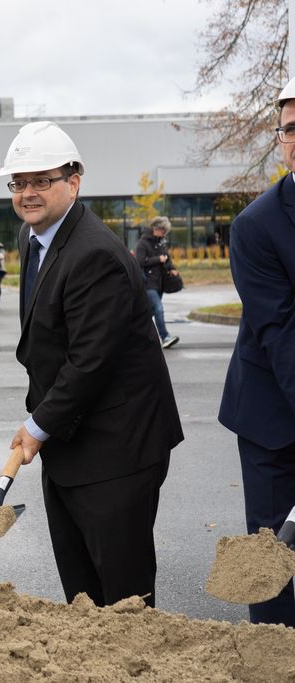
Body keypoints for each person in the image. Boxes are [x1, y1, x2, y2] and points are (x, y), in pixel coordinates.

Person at [0, 121, 183, 608]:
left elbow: (89, 362)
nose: (28, 193)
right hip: (71, 441)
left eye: (42, 180)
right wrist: (44, 424)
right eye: (19, 182)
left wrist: (38, 426)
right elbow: (47, 346)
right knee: (82, 595)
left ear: (74, 181)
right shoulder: (32, 237)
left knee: (124, 598)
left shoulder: (93, 254)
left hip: (117, 449)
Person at [218, 76, 295, 627]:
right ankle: (274, 653)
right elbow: (281, 329)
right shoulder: (257, 226)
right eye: (290, 128)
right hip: (273, 416)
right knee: (273, 555)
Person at [134, 217, 180, 349]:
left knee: (148, 313)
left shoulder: (161, 243)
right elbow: (140, 262)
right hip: (148, 283)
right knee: (158, 308)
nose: (165, 233)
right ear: (156, 229)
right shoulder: (142, 243)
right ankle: (165, 336)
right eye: (164, 230)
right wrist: (157, 259)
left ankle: (138, 338)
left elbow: (166, 259)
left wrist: (172, 268)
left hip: (160, 283)